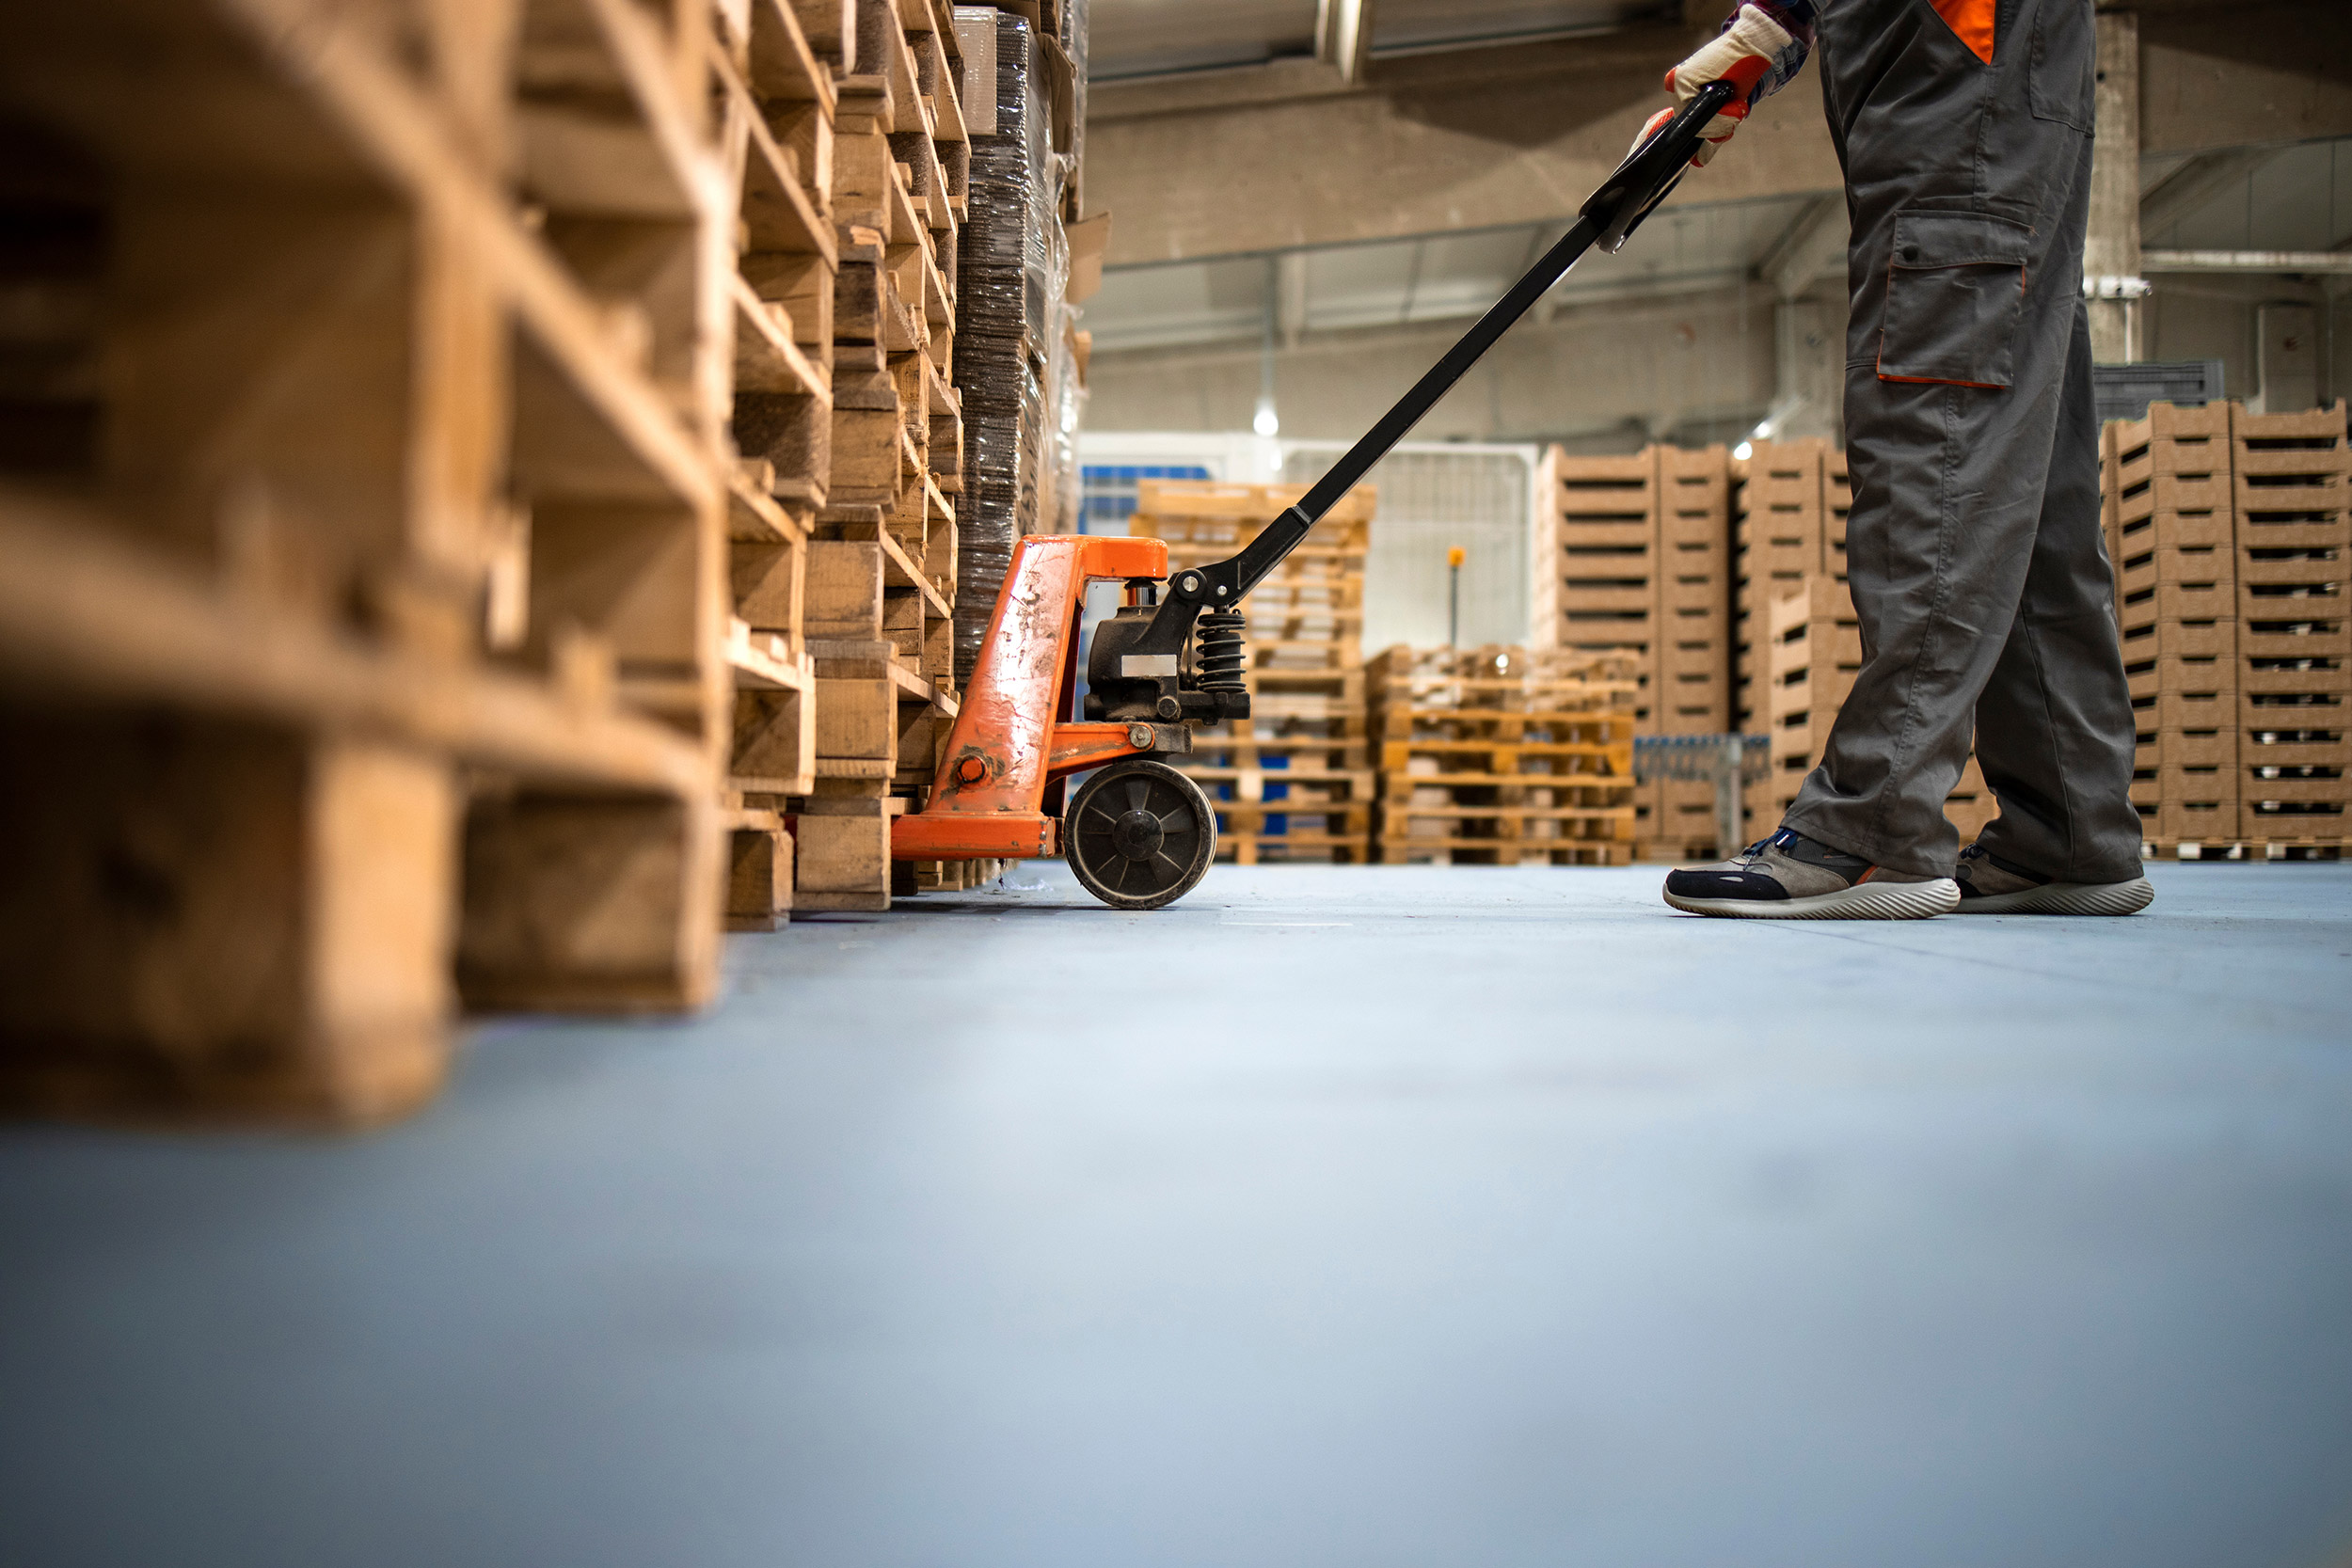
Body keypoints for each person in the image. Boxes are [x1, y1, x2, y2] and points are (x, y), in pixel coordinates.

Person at [1641, 0, 2155, 919]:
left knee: (1936, 443)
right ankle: (2068, 827)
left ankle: (1874, 827)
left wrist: (1773, 19)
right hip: (1967, 72)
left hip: (1955, 59)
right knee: (2019, 457)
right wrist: (1771, 28)